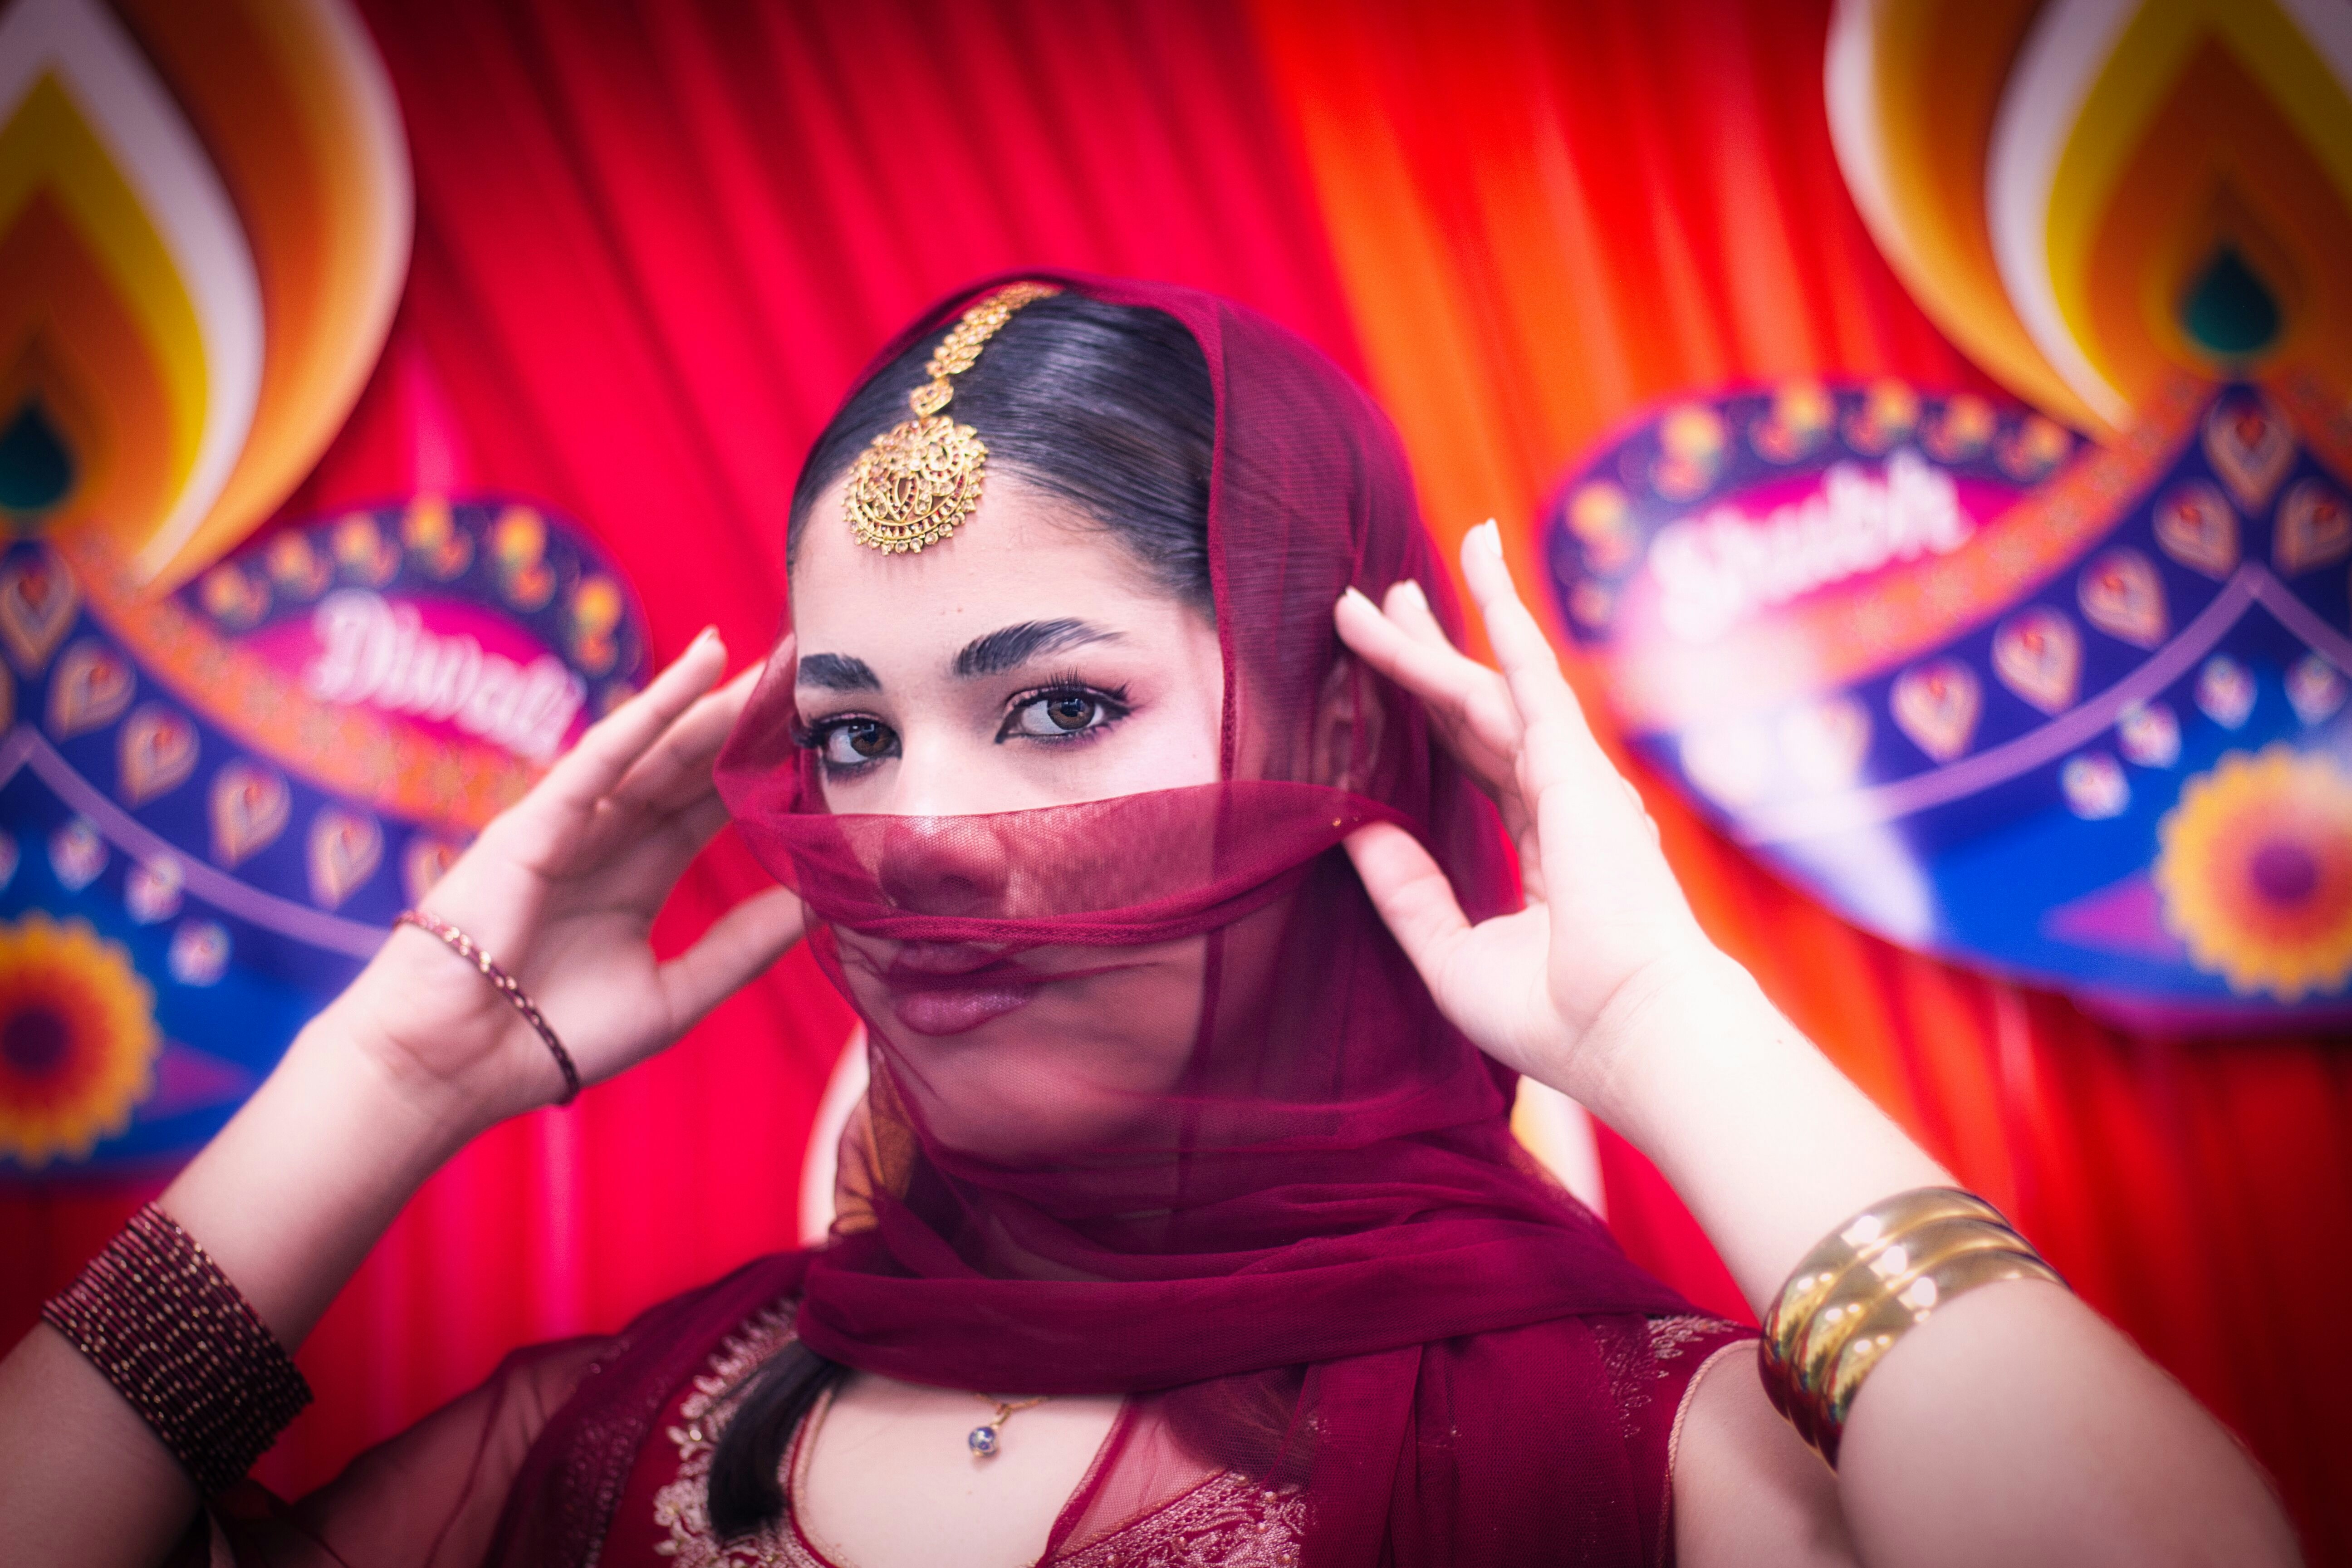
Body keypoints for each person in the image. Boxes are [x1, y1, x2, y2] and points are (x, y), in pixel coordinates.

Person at [0, 275, 2298, 1568]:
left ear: (1340, 739)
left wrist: (1664, 1019)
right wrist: (392, 1073)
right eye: (856, 735)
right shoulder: (641, 1429)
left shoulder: (1617, 1467)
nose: (920, 840)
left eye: (1062, 706)